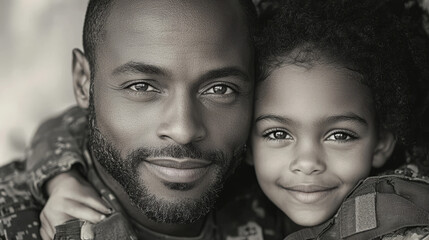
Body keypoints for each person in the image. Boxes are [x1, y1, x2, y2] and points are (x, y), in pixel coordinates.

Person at [0, 0, 289, 239]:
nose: (183, 130)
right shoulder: (11, 219)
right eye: (142, 87)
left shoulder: (288, 195)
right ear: (82, 82)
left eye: (220, 89)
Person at [249, 0, 429, 239]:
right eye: (278, 134)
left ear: (382, 142)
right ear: (247, 145)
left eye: (340, 135)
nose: (307, 162)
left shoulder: (404, 219)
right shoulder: (232, 215)